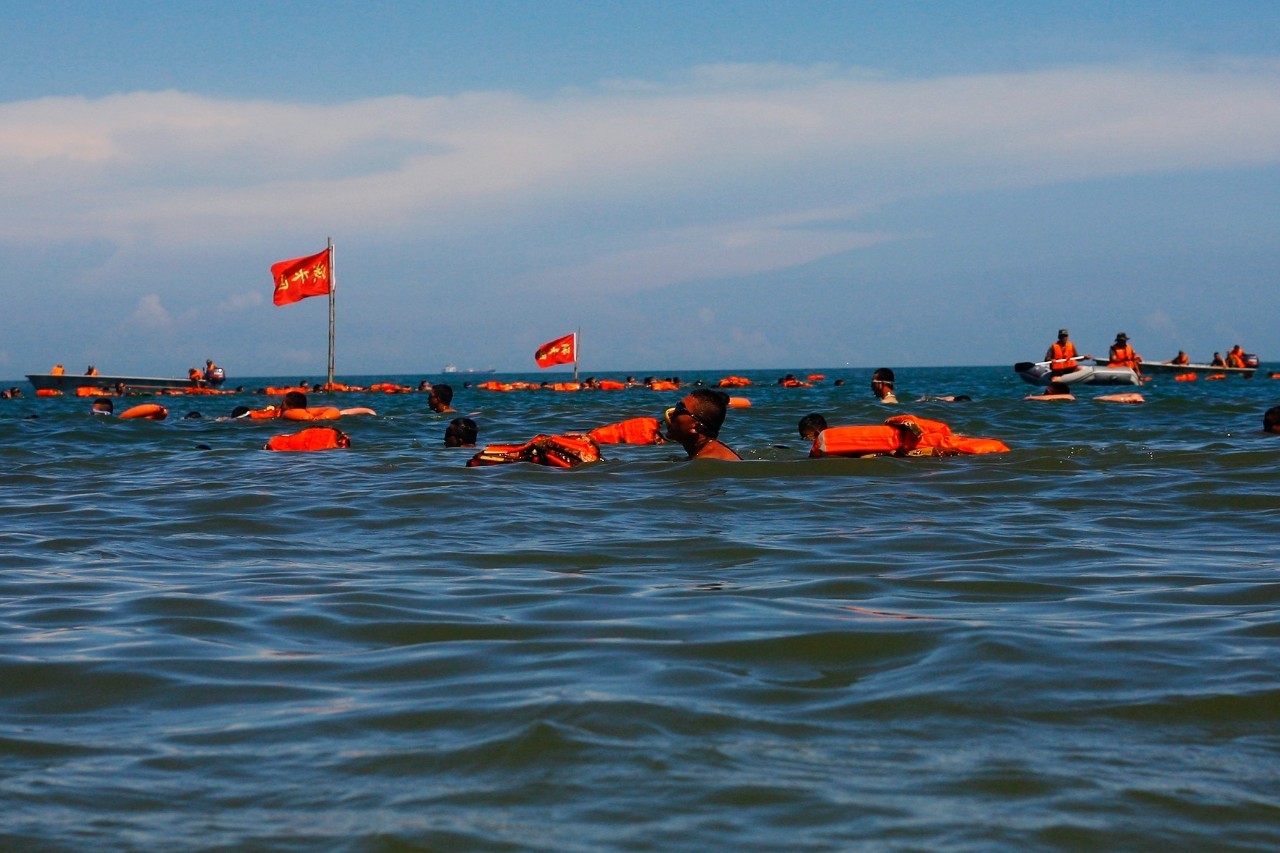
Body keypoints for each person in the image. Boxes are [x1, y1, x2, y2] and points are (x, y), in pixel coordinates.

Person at [664, 388, 741, 460]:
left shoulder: (708, 460)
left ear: (697, 427)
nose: (671, 413)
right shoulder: (705, 452)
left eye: (679, 409)